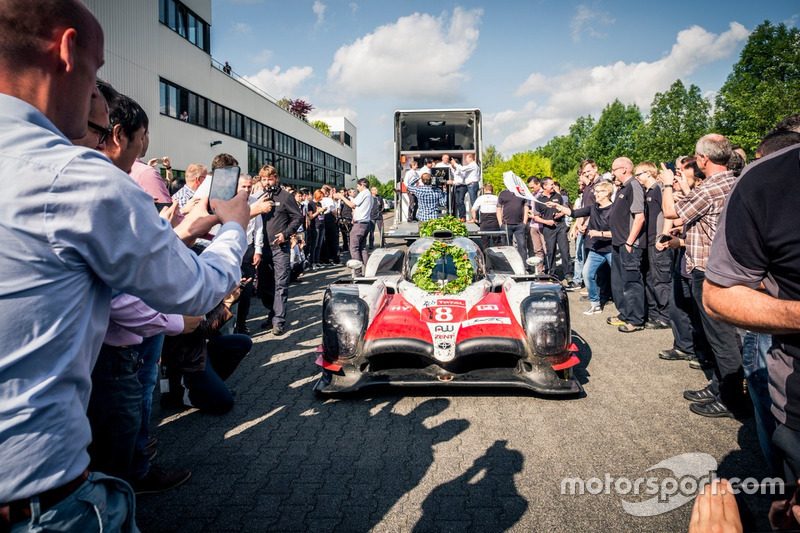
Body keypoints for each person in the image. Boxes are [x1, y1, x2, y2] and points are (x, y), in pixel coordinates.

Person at [0, 1, 250, 530]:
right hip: (40, 501)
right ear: (68, 52)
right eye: (96, 75)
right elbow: (194, 290)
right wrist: (234, 227)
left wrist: (181, 231)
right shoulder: (74, 177)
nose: (99, 103)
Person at [703, 141, 800, 475]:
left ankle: (731, 394)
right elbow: (718, 295)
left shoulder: (721, 184)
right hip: (795, 397)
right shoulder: (765, 181)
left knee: (749, 364)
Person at [660, 133, 747, 419]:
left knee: (721, 339)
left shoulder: (711, 187)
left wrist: (666, 185)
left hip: (709, 270)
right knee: (719, 337)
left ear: (703, 159)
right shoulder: (734, 180)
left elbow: (672, 212)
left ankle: (732, 398)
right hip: (723, 267)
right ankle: (720, 385)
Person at [549, 181, 615, 314]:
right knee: (587, 274)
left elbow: (619, 233)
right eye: (595, 191)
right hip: (596, 250)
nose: (595, 194)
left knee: (619, 277)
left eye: (598, 192)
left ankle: (626, 307)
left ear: (607, 193)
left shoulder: (615, 209)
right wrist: (559, 206)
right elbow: (573, 213)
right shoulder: (592, 208)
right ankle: (595, 304)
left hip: (612, 250)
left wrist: (600, 233)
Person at [256, 165, 302, 336]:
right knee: (265, 286)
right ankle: (272, 314)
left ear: (276, 178)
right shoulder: (259, 198)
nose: (267, 182)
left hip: (280, 248)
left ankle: (278, 321)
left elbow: (297, 217)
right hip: (262, 248)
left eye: (270, 178)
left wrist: (286, 234)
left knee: (281, 284)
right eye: (264, 179)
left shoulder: (285, 196)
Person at [606, 157, 647, 333]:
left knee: (632, 282)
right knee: (619, 281)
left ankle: (636, 319)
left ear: (623, 169)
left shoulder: (634, 186)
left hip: (629, 243)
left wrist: (630, 241)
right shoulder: (623, 188)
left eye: (614, 169)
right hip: (618, 242)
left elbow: (640, 217)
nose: (612, 172)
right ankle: (625, 313)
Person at [635, 161, 670, 329]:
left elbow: (668, 214)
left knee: (660, 280)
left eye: (639, 174)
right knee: (650, 278)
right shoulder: (647, 191)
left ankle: (665, 317)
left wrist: (662, 238)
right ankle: (654, 313)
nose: (637, 178)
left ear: (649, 173)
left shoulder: (659, 189)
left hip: (658, 241)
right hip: (648, 241)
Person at [533, 177, 575, 287]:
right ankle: (552, 274)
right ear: (544, 186)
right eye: (551, 184)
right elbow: (536, 217)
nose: (553, 186)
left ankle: (568, 275)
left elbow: (565, 209)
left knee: (564, 250)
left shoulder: (558, 196)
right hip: (548, 228)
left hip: (560, 226)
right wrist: (546, 222)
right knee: (550, 251)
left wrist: (559, 214)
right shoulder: (538, 200)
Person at [335, 178, 373, 276]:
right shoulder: (369, 195)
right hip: (365, 223)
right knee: (362, 248)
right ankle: (370, 270)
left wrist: (341, 197)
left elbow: (352, 204)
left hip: (360, 224)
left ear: (363, 185)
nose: (357, 188)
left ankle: (358, 272)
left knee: (354, 248)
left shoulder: (364, 193)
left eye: (358, 186)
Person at [497, 184, 529, 261]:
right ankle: (508, 264)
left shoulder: (522, 193)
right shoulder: (503, 193)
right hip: (506, 224)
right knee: (507, 246)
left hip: (520, 224)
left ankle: (524, 265)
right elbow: (499, 209)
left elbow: (526, 207)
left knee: (522, 245)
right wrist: (500, 223)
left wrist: (524, 222)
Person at [526, 177, 547, 274]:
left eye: (532, 187)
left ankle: (550, 269)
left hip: (543, 224)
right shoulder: (532, 195)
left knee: (547, 249)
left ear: (538, 184)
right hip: (533, 225)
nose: (531, 189)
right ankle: (540, 271)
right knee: (537, 249)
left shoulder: (544, 193)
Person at [470, 183, 500, 249]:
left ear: (485, 190)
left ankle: (486, 256)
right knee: (497, 243)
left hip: (484, 222)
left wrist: (475, 219)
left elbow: (473, 210)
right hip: (495, 222)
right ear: (492, 190)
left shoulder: (480, 198)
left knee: (485, 243)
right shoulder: (497, 198)